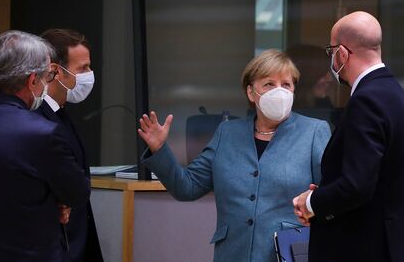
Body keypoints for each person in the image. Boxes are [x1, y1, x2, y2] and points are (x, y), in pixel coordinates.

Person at [138, 49, 331, 261]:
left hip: (287, 253)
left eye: (286, 85)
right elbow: (187, 187)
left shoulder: (314, 131)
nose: (279, 92)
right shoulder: (227, 133)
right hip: (232, 253)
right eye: (269, 84)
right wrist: (159, 149)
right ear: (251, 92)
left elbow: (330, 197)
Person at [292, 11, 404, 262]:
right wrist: (329, 192)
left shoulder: (366, 99)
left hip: (361, 245)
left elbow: (357, 186)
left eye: (331, 51)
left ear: (341, 53)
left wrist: (311, 202)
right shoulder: (395, 93)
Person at [0, 30, 90, 261]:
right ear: (32, 80)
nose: (47, 83)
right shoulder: (40, 133)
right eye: (46, 77)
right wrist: (53, 204)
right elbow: (77, 193)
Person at [37, 28, 102, 262]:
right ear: (55, 70)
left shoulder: (61, 113)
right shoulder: (37, 119)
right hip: (54, 245)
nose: (89, 75)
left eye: (89, 67)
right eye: (82, 68)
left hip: (76, 241)